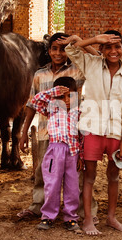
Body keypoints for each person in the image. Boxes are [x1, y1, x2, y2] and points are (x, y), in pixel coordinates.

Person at [17, 32, 98, 220]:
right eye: (54, 48)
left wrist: (77, 41)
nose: (59, 53)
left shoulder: (77, 70)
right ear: (49, 50)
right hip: (47, 133)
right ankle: (38, 207)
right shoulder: (39, 74)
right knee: (43, 174)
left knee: (76, 175)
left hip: (72, 133)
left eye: (63, 49)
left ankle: (83, 211)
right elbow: (31, 104)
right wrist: (24, 133)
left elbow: (96, 60)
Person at [63, 30, 122, 235]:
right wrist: (95, 40)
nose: (114, 51)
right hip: (92, 128)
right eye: (109, 47)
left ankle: (111, 217)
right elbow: (70, 49)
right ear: (102, 50)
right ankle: (88, 220)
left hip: (115, 132)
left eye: (118, 46)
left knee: (114, 176)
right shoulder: (92, 64)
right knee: (89, 176)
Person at [29, 76, 83, 231]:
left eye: (69, 96)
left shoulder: (78, 112)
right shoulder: (52, 108)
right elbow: (35, 101)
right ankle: (48, 216)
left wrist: (82, 156)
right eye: (61, 96)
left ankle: (71, 217)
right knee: (52, 185)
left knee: (72, 186)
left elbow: (82, 135)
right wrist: (53, 92)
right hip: (54, 151)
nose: (65, 100)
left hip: (73, 154)